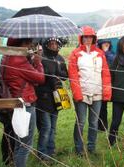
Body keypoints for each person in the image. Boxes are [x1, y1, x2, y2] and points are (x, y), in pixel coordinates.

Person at [2, 38, 45, 167]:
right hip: (25, 104)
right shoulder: (18, 60)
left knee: (19, 142)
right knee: (25, 145)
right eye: (27, 44)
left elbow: (24, 78)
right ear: (19, 45)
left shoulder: (7, 57)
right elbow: (40, 78)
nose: (30, 47)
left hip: (16, 103)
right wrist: (38, 62)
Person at [68, 26, 112, 156]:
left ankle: (92, 148)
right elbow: (73, 75)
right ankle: (79, 149)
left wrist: (106, 92)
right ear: (81, 38)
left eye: (90, 37)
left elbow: (105, 74)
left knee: (94, 122)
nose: (88, 39)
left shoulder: (100, 53)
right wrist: (77, 93)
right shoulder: (75, 54)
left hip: (97, 93)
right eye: (85, 37)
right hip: (82, 93)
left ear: (94, 38)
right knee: (81, 122)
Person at [36, 37, 68, 160]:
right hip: (43, 97)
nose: (54, 45)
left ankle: (51, 151)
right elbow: (39, 77)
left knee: (53, 127)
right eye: (51, 43)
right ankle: (42, 154)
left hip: (57, 97)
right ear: (46, 45)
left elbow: (66, 75)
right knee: (46, 127)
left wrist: (59, 72)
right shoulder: (41, 57)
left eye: (55, 43)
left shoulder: (60, 58)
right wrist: (48, 75)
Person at [97, 39, 115, 132]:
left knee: (104, 105)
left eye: (108, 42)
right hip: (97, 82)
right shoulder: (96, 53)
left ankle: (103, 126)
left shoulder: (111, 53)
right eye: (104, 43)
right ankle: (98, 125)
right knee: (99, 106)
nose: (106, 44)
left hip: (107, 82)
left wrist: (106, 52)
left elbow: (112, 63)